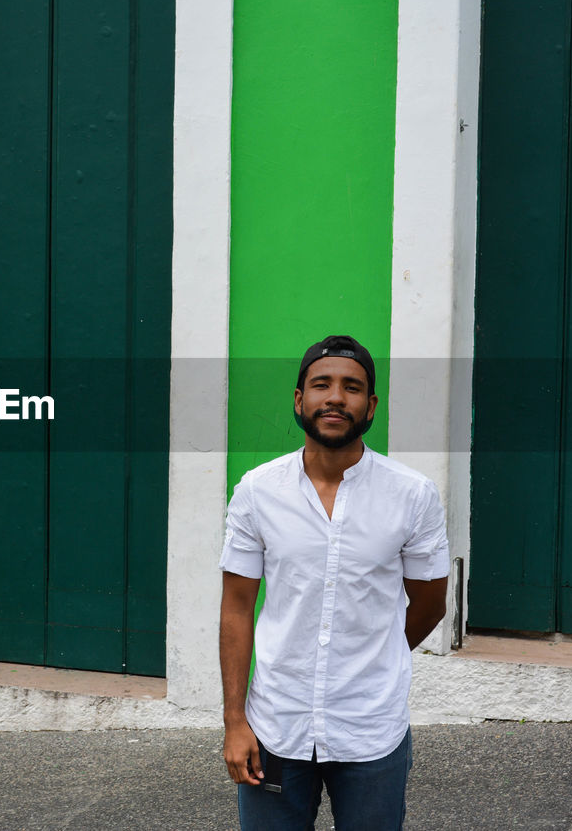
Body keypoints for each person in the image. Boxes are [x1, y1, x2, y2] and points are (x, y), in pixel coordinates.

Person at [220, 334, 449, 830]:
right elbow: (237, 607)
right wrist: (235, 721)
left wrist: (377, 652)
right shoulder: (258, 492)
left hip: (371, 727)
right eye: (321, 385)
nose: (335, 398)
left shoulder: (412, 496)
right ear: (300, 400)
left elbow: (431, 603)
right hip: (275, 724)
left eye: (351, 387)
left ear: (370, 406)